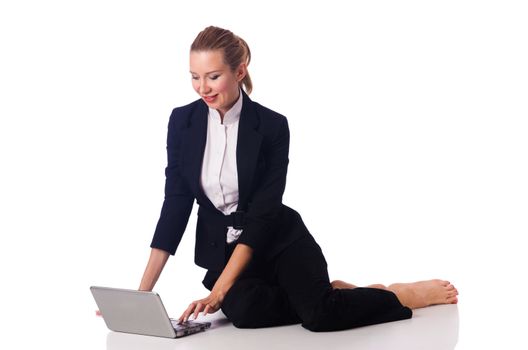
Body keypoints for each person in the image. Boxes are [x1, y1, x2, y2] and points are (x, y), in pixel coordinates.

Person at [138, 26, 458, 332]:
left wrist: (219, 292)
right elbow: (176, 204)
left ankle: (394, 295)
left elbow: (263, 215)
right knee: (247, 314)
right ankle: (325, 293)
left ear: (239, 71)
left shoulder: (272, 126)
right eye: (194, 77)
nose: (202, 88)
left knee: (320, 317)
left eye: (213, 76)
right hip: (225, 250)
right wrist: (142, 297)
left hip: (278, 238)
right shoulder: (183, 122)